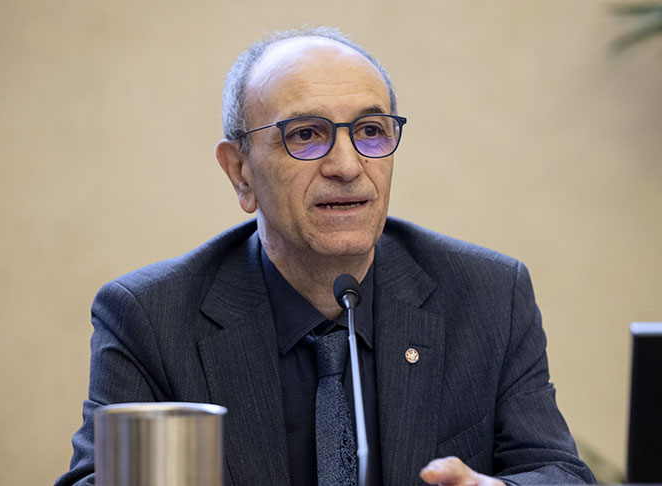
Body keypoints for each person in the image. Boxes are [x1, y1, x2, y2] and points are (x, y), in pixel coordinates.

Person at [56, 27, 595, 486]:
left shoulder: (488, 294)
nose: (347, 165)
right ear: (240, 173)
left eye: (370, 131)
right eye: (306, 135)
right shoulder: (150, 317)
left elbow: (557, 471)